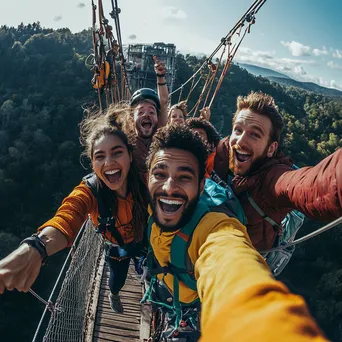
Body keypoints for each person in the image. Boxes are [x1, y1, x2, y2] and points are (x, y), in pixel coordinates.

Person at [145, 125, 327, 341]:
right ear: (147, 179)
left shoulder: (214, 227)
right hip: (167, 285)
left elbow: (230, 261)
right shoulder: (152, 202)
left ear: (201, 186)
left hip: (192, 298)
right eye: (159, 174)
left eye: (184, 177)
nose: (168, 187)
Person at [0, 105, 148, 314]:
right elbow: (69, 214)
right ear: (93, 164)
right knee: (117, 280)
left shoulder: (144, 181)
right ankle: (113, 294)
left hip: (142, 240)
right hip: (118, 248)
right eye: (100, 156)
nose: (109, 162)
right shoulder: (91, 192)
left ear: (130, 157)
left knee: (152, 271)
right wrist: (37, 247)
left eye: (117, 153)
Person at [213, 91, 342, 250]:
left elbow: (312, 186)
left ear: (271, 149)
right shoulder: (226, 147)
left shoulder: (272, 181)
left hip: (244, 257)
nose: (240, 141)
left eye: (255, 134)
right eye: (238, 130)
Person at [129, 57, 169, 176]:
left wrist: (160, 76)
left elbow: (164, 102)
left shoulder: (161, 139)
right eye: (140, 112)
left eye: (152, 112)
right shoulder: (125, 143)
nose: (146, 114)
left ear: (158, 117)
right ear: (132, 118)